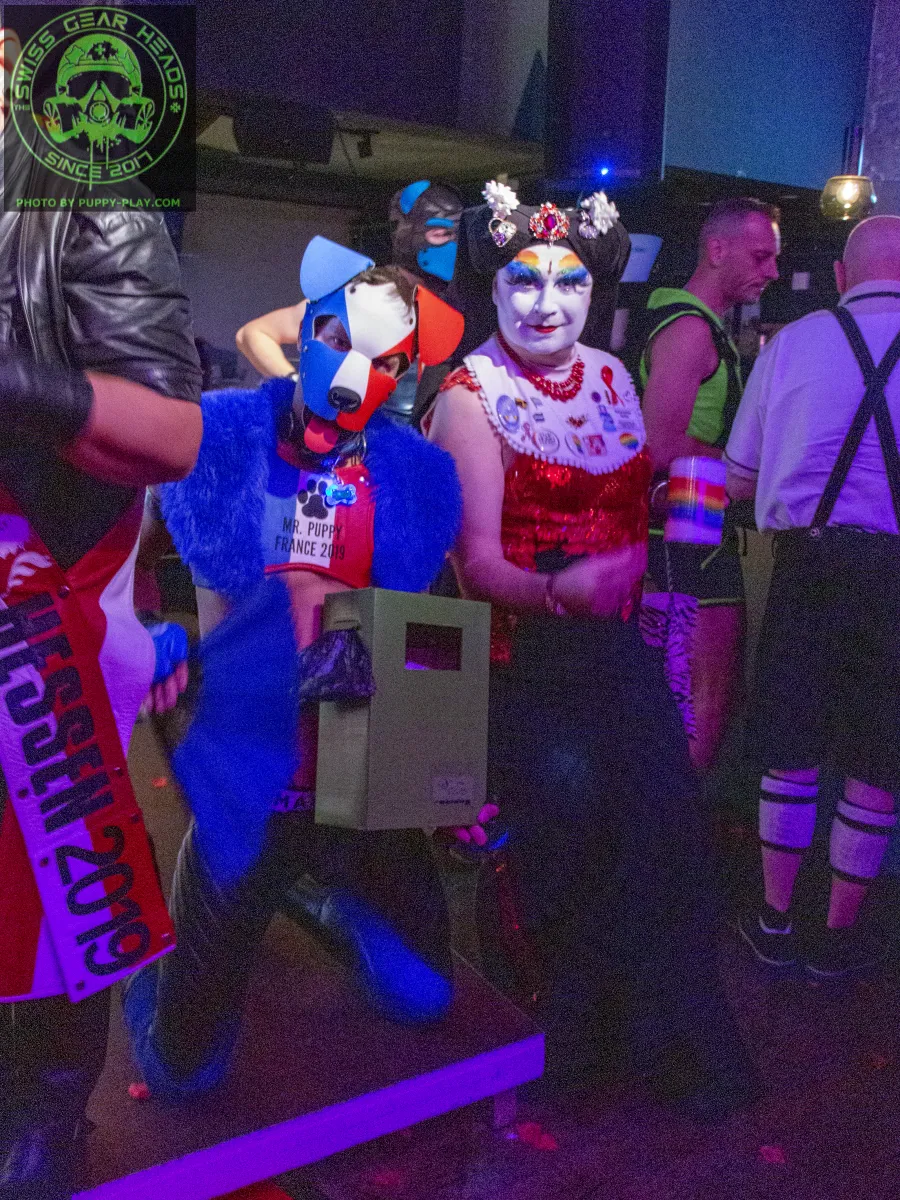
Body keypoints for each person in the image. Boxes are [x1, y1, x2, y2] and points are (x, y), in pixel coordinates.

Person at [122, 236, 495, 1101]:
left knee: (425, 997)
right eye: (338, 339)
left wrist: (448, 779)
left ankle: (321, 895)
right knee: (182, 1074)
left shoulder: (414, 476)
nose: (355, 376)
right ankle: (166, 973)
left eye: (387, 361)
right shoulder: (221, 435)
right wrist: (149, 636)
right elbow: (122, 554)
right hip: (249, 771)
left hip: (360, 778)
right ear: (306, 330)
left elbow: (415, 639)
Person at [426, 182, 755, 1116]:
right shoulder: (469, 397)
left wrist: (674, 502)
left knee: (661, 843)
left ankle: (653, 1049)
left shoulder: (610, 376)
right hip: (527, 665)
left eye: (568, 281)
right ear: (494, 288)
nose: (546, 302)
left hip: (616, 658)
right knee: (560, 859)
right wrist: (556, 590)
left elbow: (628, 498)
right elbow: (476, 566)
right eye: (524, 280)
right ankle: (558, 1054)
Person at [0, 26, 202, 1199]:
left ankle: (45, 1114)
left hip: (46, 589)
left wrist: (16, 381)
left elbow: (169, 432)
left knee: (47, 871)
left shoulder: (85, 192)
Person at [726, 215, 900, 979]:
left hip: (806, 568)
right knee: (876, 759)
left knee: (791, 749)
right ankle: (835, 937)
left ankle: (774, 921)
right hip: (895, 579)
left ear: (839, 275)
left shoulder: (791, 343)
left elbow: (738, 479)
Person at [639, 198, 780, 772]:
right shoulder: (691, 331)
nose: (772, 271)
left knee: (690, 696)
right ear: (717, 250)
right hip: (686, 537)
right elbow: (659, 443)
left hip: (684, 533)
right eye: (761, 256)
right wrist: (749, 467)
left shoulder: (696, 326)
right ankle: (673, 817)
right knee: (701, 699)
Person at [234, 181, 463, 425]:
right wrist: (299, 387)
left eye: (457, 235)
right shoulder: (364, 291)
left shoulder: (459, 304)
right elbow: (253, 334)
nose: (453, 243)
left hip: (413, 440)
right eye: (442, 233)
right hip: (352, 435)